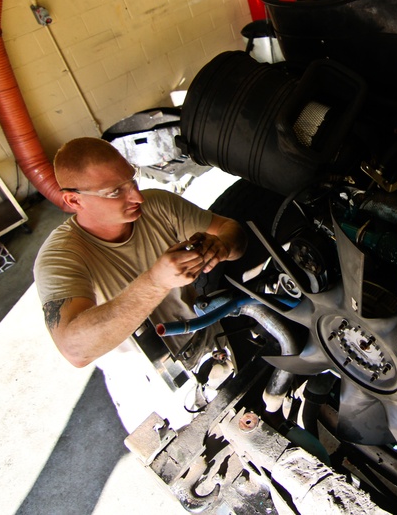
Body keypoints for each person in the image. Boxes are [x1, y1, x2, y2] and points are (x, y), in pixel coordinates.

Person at [33, 137, 247, 427]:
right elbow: (74, 350)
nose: (137, 197)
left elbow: (230, 230)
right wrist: (155, 282)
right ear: (73, 200)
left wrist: (221, 246)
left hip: (210, 345)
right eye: (114, 192)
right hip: (152, 390)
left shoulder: (158, 206)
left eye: (132, 180)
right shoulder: (60, 258)